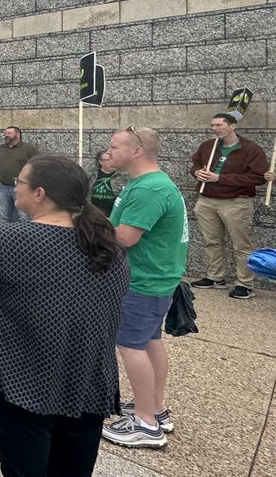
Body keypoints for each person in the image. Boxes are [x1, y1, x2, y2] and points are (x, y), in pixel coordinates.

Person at [0, 155, 129, 477]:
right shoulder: (109, 245)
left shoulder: (4, 238)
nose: (14, 188)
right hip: (87, 385)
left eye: (19, 183)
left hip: (21, 378)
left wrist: (14, 328)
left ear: (40, 194)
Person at [101, 126, 188, 449]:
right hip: (155, 278)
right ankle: (154, 407)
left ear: (137, 151)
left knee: (131, 344)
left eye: (114, 146)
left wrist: (89, 231)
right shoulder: (150, 183)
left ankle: (145, 424)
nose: (108, 152)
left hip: (142, 280)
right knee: (149, 341)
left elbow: (125, 237)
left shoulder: (149, 189)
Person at [189, 113, 269, 300]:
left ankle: (245, 284)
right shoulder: (208, 145)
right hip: (207, 199)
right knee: (212, 241)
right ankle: (215, 277)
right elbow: (195, 164)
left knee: (241, 245)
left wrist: (221, 178)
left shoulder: (251, 149)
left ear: (232, 126)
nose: (215, 129)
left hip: (236, 202)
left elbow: (258, 177)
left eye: (219, 125)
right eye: (212, 125)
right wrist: (197, 172)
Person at [0, 126, 39, 223]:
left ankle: (25, 238)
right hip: (2, 187)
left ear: (18, 134)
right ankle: (4, 237)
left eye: (9, 133)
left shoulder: (28, 149)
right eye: (5, 133)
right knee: (4, 217)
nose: (6, 135)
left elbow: (37, 165)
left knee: (24, 217)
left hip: (21, 188)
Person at [89, 149, 122, 217]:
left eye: (113, 159)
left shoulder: (124, 176)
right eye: (108, 159)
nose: (112, 162)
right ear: (100, 161)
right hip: (93, 215)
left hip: (114, 216)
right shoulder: (91, 175)